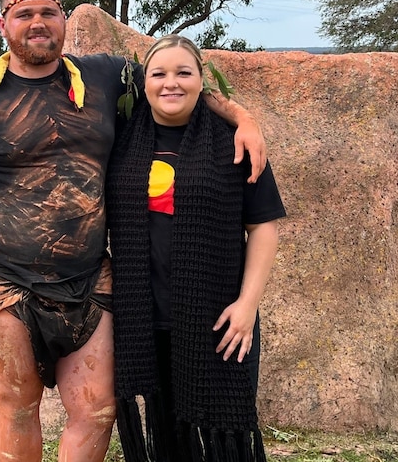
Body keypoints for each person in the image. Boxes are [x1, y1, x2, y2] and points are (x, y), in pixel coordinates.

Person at [0, 0, 267, 462]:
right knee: (17, 405)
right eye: (24, 14)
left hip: (89, 278)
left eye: (48, 12)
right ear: (3, 24)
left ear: (63, 19)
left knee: (98, 409)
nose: (37, 23)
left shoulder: (106, 77)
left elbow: (172, 80)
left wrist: (241, 116)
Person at [106, 35, 286, 462]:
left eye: (183, 73)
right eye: (160, 73)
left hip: (220, 321)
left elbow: (263, 228)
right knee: (168, 436)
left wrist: (247, 307)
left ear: (201, 82)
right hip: (143, 322)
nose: (172, 83)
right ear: (143, 83)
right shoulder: (121, 142)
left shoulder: (235, 144)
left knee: (221, 434)